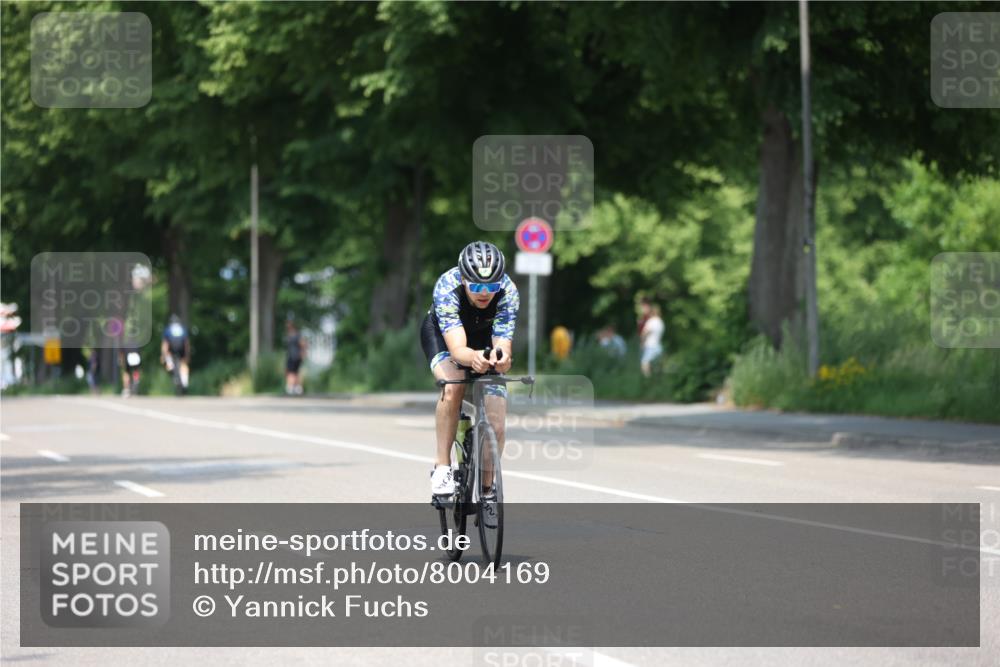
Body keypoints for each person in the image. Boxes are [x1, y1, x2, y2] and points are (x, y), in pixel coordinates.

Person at [419, 241, 519, 527]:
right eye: (476, 286)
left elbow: (503, 344)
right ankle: (442, 467)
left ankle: (487, 492)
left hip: (484, 339)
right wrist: (473, 358)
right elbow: (458, 349)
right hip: (446, 338)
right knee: (454, 385)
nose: (485, 293)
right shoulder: (447, 287)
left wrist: (502, 360)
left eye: (491, 286)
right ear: (463, 279)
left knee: (497, 421)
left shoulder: (508, 291)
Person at [160, 314, 190, 393]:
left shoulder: (168, 329)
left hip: (171, 350)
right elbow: (186, 343)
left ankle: (174, 376)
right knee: (184, 364)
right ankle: (185, 382)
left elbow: (165, 344)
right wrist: (187, 355)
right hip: (182, 349)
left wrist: (163, 355)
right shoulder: (183, 329)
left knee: (169, 363)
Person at [639, 300, 664, 376]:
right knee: (657, 366)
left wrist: (642, 342)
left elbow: (644, 333)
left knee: (644, 363)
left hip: (650, 346)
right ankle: (656, 379)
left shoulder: (651, 321)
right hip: (658, 346)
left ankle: (647, 378)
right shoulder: (661, 322)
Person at [284, 319, 307, 395]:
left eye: (289, 325)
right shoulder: (288, 335)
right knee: (291, 372)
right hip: (290, 356)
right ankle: (293, 387)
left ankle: (295, 387)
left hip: (296, 356)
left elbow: (303, 344)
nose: (287, 326)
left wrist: (303, 353)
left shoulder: (297, 335)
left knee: (294, 372)